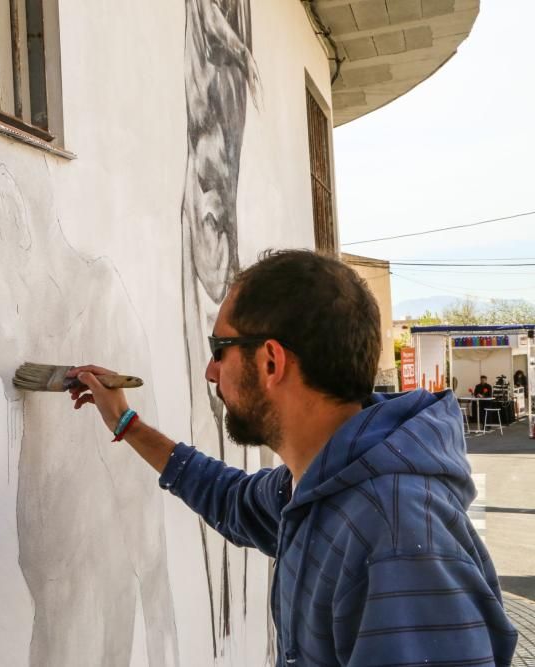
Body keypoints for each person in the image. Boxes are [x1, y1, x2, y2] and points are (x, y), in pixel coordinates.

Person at [66, 250, 516, 665]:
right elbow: (230, 500)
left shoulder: (396, 537)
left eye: (219, 349)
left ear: (270, 361)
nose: (210, 371)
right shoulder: (324, 482)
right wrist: (127, 423)